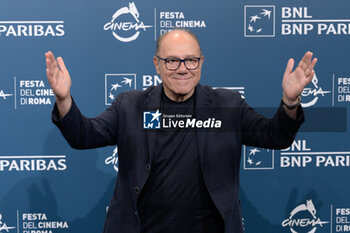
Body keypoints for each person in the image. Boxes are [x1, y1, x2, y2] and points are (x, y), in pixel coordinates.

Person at [45, 29, 317, 233]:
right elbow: (84, 136)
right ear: (157, 64)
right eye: (172, 61)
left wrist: (290, 101)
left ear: (201, 62)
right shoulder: (130, 106)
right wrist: (64, 100)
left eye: (190, 60)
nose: (182, 69)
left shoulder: (227, 105)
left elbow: (275, 136)